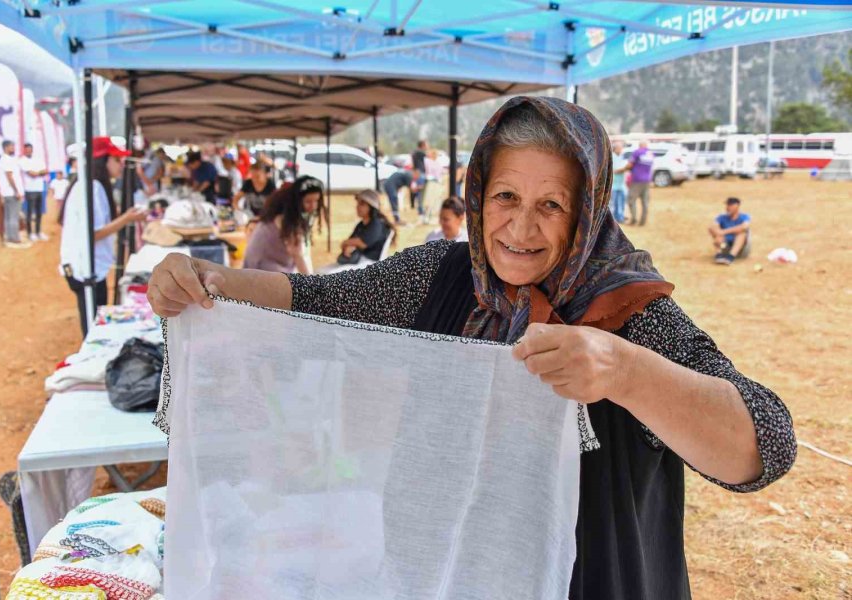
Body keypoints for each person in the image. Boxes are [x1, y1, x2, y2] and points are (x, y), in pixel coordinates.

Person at [148, 97, 795, 600]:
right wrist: (209, 281)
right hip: (443, 571)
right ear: (479, 196)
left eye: (552, 205)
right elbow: (317, 303)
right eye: (506, 197)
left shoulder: (629, 311)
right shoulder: (441, 277)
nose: (520, 226)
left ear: (590, 211)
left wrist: (622, 370)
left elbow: (765, 445)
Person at [59, 137, 147, 336]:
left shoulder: (92, 186)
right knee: (93, 330)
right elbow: (94, 233)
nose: (121, 165)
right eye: (116, 160)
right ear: (103, 160)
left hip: (89, 267)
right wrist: (127, 218)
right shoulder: (92, 188)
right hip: (85, 270)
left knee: (95, 324)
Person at [242, 176, 323, 274]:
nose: (313, 206)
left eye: (316, 200)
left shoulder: (280, 213)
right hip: (263, 272)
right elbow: (297, 254)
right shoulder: (288, 221)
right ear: (298, 201)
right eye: (308, 202)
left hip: (259, 267)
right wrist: (312, 286)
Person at [338, 190, 396, 264]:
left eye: (362, 204)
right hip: (361, 260)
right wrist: (346, 246)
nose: (358, 207)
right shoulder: (361, 224)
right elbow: (351, 240)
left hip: (370, 263)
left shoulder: (376, 223)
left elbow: (363, 244)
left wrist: (345, 243)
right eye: (358, 203)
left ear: (371, 207)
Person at [0, 140, 27, 247]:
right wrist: (16, 191)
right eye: (11, 146)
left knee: (8, 216)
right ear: (5, 148)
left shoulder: (3, 160)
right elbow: (9, 176)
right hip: (11, 192)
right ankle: (14, 238)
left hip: (7, 192)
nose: (13, 148)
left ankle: (9, 237)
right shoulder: (6, 160)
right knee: (13, 216)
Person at [709, 197, 751, 265]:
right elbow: (712, 227)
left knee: (742, 233)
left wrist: (724, 231)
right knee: (716, 232)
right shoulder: (721, 217)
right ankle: (719, 255)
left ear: (737, 206)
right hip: (724, 244)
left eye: (730, 205)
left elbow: (744, 226)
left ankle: (731, 257)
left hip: (741, 248)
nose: (727, 207)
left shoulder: (744, 216)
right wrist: (718, 232)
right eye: (727, 205)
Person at [20, 143, 49, 241]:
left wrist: (38, 173)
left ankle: (38, 232)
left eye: (29, 149)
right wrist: (38, 173)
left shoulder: (38, 159)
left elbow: (45, 171)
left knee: (39, 212)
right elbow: (31, 174)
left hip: (40, 188)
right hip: (29, 189)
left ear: (32, 150)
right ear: (24, 150)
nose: (28, 151)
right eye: (26, 149)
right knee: (29, 212)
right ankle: (30, 233)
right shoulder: (22, 161)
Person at [626, 140, 654, 226]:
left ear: (640, 145)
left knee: (631, 200)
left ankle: (634, 219)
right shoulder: (651, 154)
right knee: (645, 202)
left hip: (637, 180)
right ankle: (643, 221)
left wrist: (625, 169)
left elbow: (630, 165)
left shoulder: (637, 152)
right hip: (647, 180)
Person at [610, 141, 628, 224]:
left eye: (621, 148)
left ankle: (620, 217)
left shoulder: (622, 157)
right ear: (615, 149)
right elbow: (614, 170)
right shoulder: (612, 157)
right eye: (619, 148)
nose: (621, 149)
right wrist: (621, 170)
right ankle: (612, 220)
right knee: (612, 203)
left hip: (621, 184)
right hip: (613, 185)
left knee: (621, 202)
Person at [410, 140, 429, 214]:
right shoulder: (420, 152)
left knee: (418, 192)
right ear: (423, 145)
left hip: (417, 173)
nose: (427, 146)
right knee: (421, 191)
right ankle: (421, 209)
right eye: (426, 145)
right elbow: (429, 155)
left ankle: (419, 208)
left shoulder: (415, 152)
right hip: (420, 173)